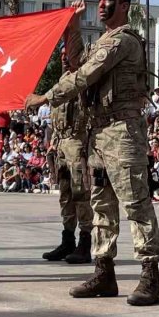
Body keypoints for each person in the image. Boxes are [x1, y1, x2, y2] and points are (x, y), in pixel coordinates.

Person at [25, 0, 159, 306]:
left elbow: (86, 74)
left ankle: (150, 277)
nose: (102, 5)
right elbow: (75, 65)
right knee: (102, 204)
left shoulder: (122, 41)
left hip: (122, 132)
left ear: (125, 5)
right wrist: (71, 27)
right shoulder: (103, 41)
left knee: (136, 204)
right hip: (100, 134)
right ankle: (104, 271)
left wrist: (46, 96)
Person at [42, 47, 94, 265]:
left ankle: (85, 242)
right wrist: (53, 142)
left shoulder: (85, 81)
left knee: (81, 194)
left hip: (79, 141)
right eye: (61, 55)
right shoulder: (61, 81)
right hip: (62, 143)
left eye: (68, 55)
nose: (64, 59)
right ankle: (67, 239)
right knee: (65, 194)